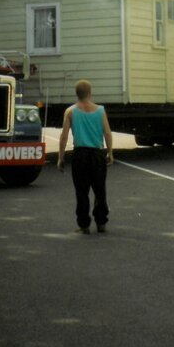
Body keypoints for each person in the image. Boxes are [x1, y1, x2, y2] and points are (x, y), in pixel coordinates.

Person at [57, 79, 114, 234]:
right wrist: (110, 152)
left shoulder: (70, 111)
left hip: (80, 155)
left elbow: (63, 137)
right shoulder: (101, 110)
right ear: (90, 93)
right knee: (99, 190)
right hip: (97, 154)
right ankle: (101, 222)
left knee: (81, 192)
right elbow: (107, 133)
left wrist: (60, 158)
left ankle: (84, 225)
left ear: (77, 94)